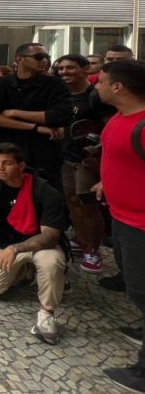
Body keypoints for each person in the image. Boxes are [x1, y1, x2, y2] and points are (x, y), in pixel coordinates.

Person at [0, 142, 67, 345]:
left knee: (51, 261)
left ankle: (46, 315)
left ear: (21, 165)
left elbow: (50, 237)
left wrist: (16, 249)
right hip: (3, 244)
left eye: (7, 163)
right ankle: (26, 272)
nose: (0, 168)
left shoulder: (45, 190)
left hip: (39, 246)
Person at [92, 60, 145, 391]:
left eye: (101, 81)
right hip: (122, 217)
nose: (95, 85)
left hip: (141, 224)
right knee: (136, 287)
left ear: (118, 87)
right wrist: (105, 183)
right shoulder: (119, 118)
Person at [0, 42, 73, 189]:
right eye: (38, 56)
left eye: (46, 57)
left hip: (43, 154)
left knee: (49, 198)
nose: (44, 60)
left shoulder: (56, 84)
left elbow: (61, 115)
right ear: (19, 59)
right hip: (5, 150)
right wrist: (35, 127)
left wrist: (14, 113)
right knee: (1, 198)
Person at [55, 54, 106, 273]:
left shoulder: (95, 96)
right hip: (65, 156)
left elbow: (108, 127)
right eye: (61, 69)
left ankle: (93, 250)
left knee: (89, 206)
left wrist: (97, 151)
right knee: (72, 201)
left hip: (86, 161)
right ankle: (81, 239)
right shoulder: (60, 95)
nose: (64, 72)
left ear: (85, 69)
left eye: (70, 68)